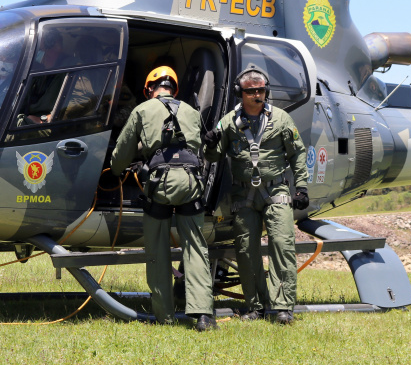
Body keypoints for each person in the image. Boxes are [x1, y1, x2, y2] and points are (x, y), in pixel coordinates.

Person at [110, 66, 217, 332]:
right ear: (175, 90)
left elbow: (121, 155)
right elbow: (202, 149)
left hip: (159, 186)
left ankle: (165, 315)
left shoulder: (143, 110)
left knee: (157, 250)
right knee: (195, 247)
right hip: (191, 184)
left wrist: (116, 168)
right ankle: (203, 314)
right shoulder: (192, 112)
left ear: (148, 89)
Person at [203, 65, 309, 324]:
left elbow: (297, 153)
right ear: (241, 93)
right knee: (246, 250)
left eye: (261, 90)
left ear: (266, 91)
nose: (257, 95)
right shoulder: (228, 122)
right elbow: (213, 156)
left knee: (282, 245)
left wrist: (302, 187)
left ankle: (282, 307)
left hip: (276, 190)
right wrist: (209, 141)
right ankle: (256, 306)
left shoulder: (281, 119)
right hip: (243, 195)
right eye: (251, 92)